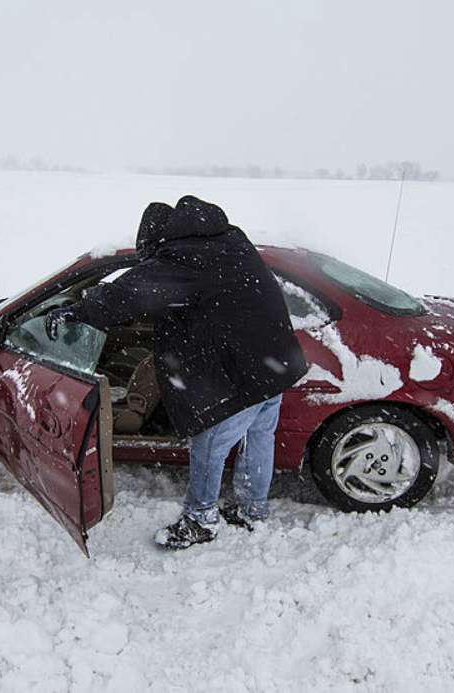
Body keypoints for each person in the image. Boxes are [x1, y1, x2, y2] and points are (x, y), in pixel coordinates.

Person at [46, 195, 308, 549]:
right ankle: (252, 510)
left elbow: (131, 293)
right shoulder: (226, 239)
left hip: (244, 372)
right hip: (272, 363)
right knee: (259, 436)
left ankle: (200, 519)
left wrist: (79, 310)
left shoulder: (186, 257)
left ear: (158, 242)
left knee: (209, 444)